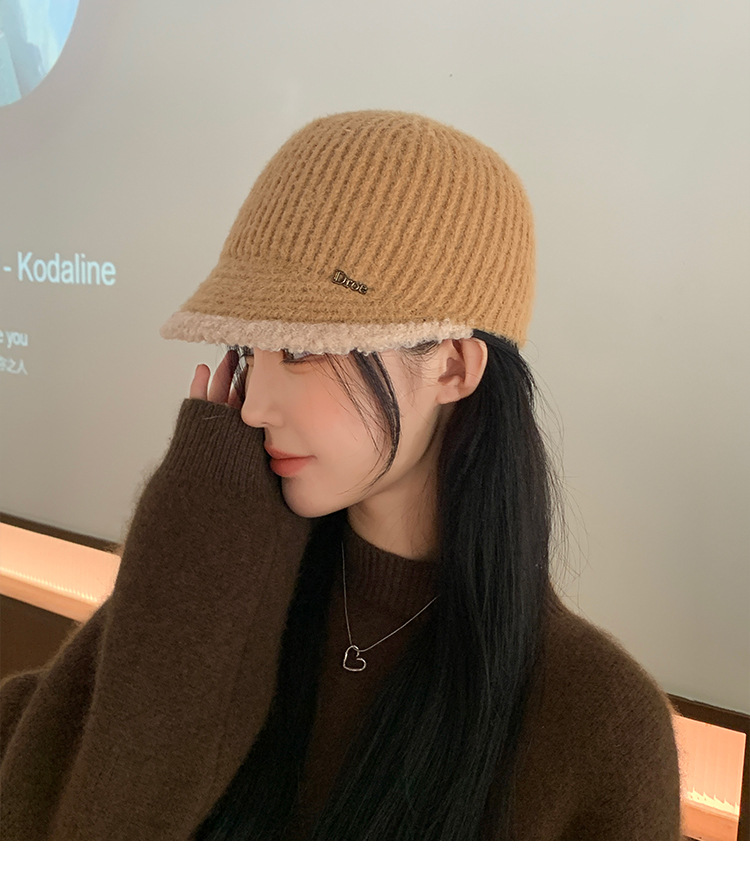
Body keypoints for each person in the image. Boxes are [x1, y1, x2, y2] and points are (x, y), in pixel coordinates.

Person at [0, 110, 681, 840]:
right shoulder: (222, 592)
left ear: (453, 366)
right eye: (248, 351)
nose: (252, 405)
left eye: (300, 349)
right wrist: (196, 542)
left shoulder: (597, 725)